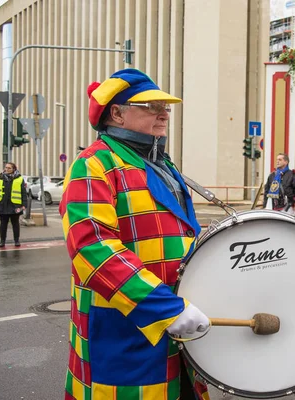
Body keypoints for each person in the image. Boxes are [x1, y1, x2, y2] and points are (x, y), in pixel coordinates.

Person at [59, 68, 211, 400]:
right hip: (124, 331)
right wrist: (164, 308)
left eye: (166, 106)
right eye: (150, 106)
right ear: (117, 113)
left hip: (175, 325)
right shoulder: (94, 164)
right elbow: (92, 248)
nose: (164, 113)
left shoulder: (162, 164)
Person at [0, 162, 27, 248]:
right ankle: (2, 241)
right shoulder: (0, 178)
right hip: (2, 204)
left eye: (9, 168)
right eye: (6, 168)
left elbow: (23, 193)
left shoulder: (19, 179)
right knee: (3, 224)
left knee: (15, 223)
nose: (6, 169)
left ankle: (16, 240)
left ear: (14, 169)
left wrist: (24, 204)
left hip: (15, 205)